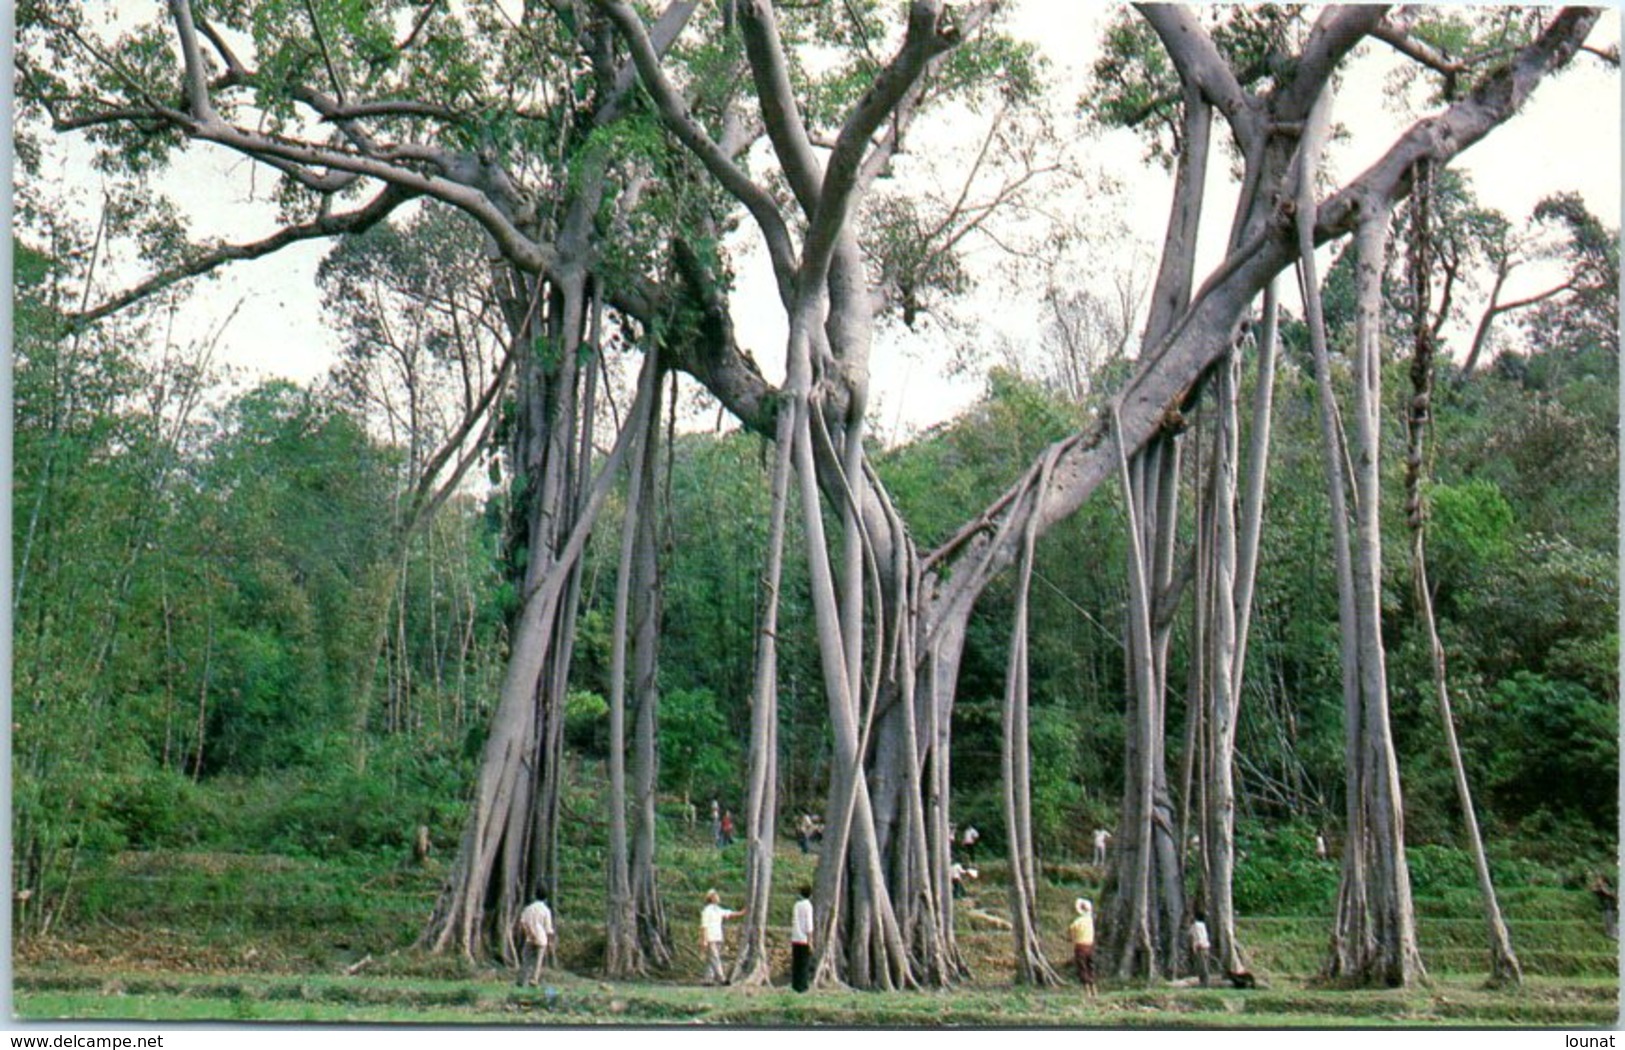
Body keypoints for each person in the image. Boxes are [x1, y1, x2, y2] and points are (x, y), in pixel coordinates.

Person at [699, 889, 743, 985]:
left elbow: (729, 913)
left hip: (718, 937)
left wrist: (741, 913)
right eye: (716, 896)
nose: (718, 897)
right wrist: (704, 940)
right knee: (715, 958)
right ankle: (721, 978)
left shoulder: (718, 910)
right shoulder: (707, 911)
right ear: (712, 898)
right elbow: (704, 927)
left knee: (711, 959)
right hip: (710, 937)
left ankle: (708, 979)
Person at [517, 893, 555, 986]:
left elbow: (522, 923)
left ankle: (522, 980)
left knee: (526, 960)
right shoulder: (546, 910)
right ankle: (534, 979)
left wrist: (529, 934)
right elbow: (548, 929)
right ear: (545, 898)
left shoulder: (528, 908)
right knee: (538, 962)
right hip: (542, 939)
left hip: (530, 938)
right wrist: (550, 942)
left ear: (535, 895)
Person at [1068, 898, 1096, 997]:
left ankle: (1087, 989)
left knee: (1082, 967)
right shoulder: (1090, 920)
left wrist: (1072, 939)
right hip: (1090, 946)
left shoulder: (1077, 922)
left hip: (1080, 946)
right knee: (1090, 966)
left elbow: (1071, 932)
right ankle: (1094, 987)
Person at [790, 884, 815, 992]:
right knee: (804, 964)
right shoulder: (808, 905)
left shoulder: (796, 905)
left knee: (796, 963)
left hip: (795, 938)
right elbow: (809, 925)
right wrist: (810, 941)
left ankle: (795, 985)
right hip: (804, 939)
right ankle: (803, 986)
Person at [1188, 911, 1212, 987]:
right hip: (1206, 946)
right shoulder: (1203, 925)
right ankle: (1205, 982)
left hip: (1200, 947)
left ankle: (1204, 983)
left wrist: (1194, 947)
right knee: (1205, 965)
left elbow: (1195, 937)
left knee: (1201, 966)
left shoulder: (1195, 926)